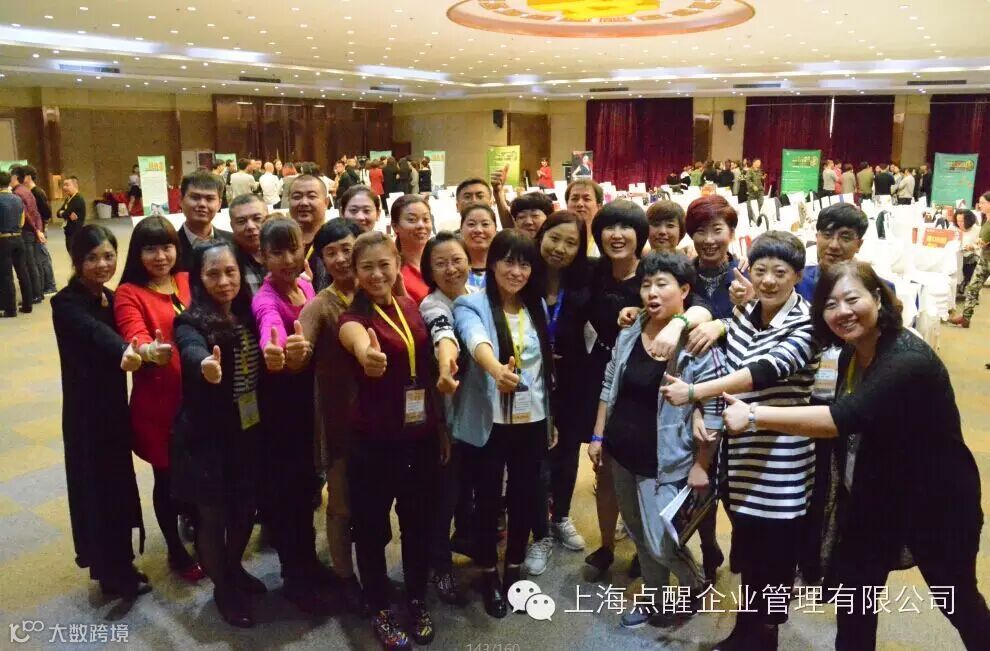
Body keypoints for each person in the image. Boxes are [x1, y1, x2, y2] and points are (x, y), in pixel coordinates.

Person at [721, 260, 990, 650]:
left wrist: (754, 415)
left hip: (937, 502)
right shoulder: (854, 350)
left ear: (878, 298)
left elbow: (842, 418)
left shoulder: (907, 359)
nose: (842, 312)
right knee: (856, 600)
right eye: (830, 304)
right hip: (876, 497)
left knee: (957, 599)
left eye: (852, 299)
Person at [663, 231, 821, 650]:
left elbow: (764, 371)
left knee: (774, 559)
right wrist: (704, 414)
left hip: (781, 463)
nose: (768, 280)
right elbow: (727, 368)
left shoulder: (807, 324)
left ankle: (764, 637)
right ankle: (744, 633)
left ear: (798, 275)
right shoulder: (745, 314)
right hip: (739, 460)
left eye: (780, 272)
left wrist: (695, 393)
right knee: (749, 554)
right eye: (761, 270)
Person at [590, 252, 722, 629]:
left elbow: (714, 408)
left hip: (665, 461)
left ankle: (695, 582)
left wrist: (702, 463)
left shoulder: (696, 342)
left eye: (662, 284)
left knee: (661, 541)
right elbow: (609, 383)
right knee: (637, 533)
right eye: (646, 284)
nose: (651, 292)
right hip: (621, 452)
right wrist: (598, 435)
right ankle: (655, 600)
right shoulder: (632, 330)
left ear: (684, 291)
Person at [339, 231, 447, 649]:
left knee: (418, 524)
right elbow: (356, 341)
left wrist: (439, 428)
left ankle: (416, 598)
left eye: (384, 264)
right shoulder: (353, 318)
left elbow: (428, 375)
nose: (377, 274)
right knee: (370, 529)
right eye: (367, 267)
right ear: (355, 272)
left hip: (420, 438)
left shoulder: (410, 307)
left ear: (397, 263)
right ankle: (380, 607)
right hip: (373, 443)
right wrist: (367, 356)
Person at [453, 229, 554, 617]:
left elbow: (542, 369)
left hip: (532, 418)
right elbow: (474, 338)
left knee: (526, 496)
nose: (516, 271)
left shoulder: (535, 305)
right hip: (490, 421)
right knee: (487, 500)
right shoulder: (471, 304)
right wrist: (496, 369)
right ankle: (487, 573)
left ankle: (513, 567)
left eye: (524, 264)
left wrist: (550, 420)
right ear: (492, 264)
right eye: (508, 262)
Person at [170, 240, 265, 627]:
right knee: (212, 516)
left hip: (248, 430)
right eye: (213, 274)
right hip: (207, 436)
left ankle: (233, 567)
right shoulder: (190, 322)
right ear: (198, 278)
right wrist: (205, 365)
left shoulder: (248, 313)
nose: (224, 281)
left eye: (230, 272)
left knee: (245, 507)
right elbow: (190, 349)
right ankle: (223, 589)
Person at [52, 224, 148, 599]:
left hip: (114, 407)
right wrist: (124, 349)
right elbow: (94, 332)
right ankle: (109, 571)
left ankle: (122, 562)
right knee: (96, 489)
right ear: (77, 261)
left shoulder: (110, 296)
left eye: (109, 256)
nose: (103, 264)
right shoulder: (65, 303)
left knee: (119, 484)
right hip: (85, 414)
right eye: (92, 258)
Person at [114, 216, 205, 584]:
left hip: (200, 397)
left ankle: (201, 531)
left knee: (200, 470)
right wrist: (150, 351)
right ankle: (175, 548)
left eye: (166, 247)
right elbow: (134, 335)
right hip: (160, 404)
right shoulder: (129, 292)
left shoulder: (186, 279)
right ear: (138, 254)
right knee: (167, 479)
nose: (160, 256)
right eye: (150, 249)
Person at [251, 217, 332, 615]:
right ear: (262, 256)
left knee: (305, 493)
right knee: (288, 498)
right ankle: (295, 579)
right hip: (281, 412)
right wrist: (277, 349)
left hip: (307, 408)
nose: (287, 259)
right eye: (277, 252)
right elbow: (270, 327)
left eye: (293, 249)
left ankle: (309, 563)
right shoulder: (265, 298)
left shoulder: (304, 285)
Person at [298, 219, 365, 613]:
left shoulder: (379, 291)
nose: (341, 259)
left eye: (347, 249)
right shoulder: (320, 305)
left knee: (372, 500)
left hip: (382, 416)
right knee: (340, 504)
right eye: (331, 252)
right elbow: (299, 350)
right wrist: (291, 352)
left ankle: (370, 568)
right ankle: (344, 576)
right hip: (340, 420)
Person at [531, 211, 592, 567]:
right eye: (555, 238)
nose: (560, 248)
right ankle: (538, 532)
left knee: (567, 454)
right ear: (541, 236)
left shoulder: (585, 281)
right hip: (529, 382)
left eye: (571, 243)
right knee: (535, 459)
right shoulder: (525, 277)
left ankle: (561, 517)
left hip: (571, 383)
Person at [418, 231, 475, 605]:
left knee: (469, 492)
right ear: (429, 270)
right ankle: (439, 566)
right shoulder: (432, 305)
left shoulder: (478, 295)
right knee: (444, 498)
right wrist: (446, 364)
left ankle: (467, 546)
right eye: (441, 263)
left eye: (457, 260)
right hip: (449, 420)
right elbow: (444, 335)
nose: (451, 269)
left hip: (480, 418)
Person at [175, 171, 233, 272]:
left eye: (209, 199)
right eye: (195, 197)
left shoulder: (233, 242)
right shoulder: (168, 247)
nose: (202, 204)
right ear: (181, 200)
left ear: (219, 204)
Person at [950, 191, 990, 328]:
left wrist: (972, 246)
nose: (979, 205)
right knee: (973, 288)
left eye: (983, 202)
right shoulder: (986, 219)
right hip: (985, 259)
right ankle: (965, 318)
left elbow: (982, 242)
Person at [15, 165, 57, 295]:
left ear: (28, 177)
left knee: (43, 258)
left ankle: (50, 285)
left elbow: (45, 212)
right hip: (37, 229)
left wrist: (41, 228)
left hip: (39, 229)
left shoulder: (37, 192)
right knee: (38, 259)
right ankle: (42, 285)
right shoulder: (28, 192)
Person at [287, 174, 330, 291]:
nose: (304, 203)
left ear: (326, 202)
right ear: (288, 201)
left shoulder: (335, 239)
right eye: (297, 197)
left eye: (311, 196)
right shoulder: (280, 241)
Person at [0, 171, 34, 317]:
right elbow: (22, 220)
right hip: (18, 238)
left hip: (3, 239)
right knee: (22, 272)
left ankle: (10, 309)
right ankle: (27, 305)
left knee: (6, 275)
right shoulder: (17, 199)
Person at [10, 167, 44, 303]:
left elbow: (27, 216)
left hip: (26, 231)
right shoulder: (27, 191)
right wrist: (39, 229)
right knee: (34, 263)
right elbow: (36, 213)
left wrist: (36, 230)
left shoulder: (17, 193)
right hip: (33, 231)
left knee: (29, 265)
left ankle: (35, 294)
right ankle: (39, 292)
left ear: (16, 177)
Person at [391, 194, 434, 304]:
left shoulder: (440, 262)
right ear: (395, 226)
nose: (421, 225)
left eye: (426, 219)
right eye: (412, 220)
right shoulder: (393, 272)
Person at [227, 194, 268, 296]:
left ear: (268, 219)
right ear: (232, 226)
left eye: (257, 218)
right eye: (241, 221)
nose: (250, 226)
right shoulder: (227, 261)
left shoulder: (285, 252)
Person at [459, 203, 496, 290]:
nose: (478, 230)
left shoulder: (504, 267)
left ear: (495, 229)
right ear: (461, 229)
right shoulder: (453, 269)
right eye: (471, 224)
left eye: (485, 224)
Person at [565, 178, 603, 255]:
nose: (580, 204)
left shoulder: (604, 240)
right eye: (574, 199)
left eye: (586, 199)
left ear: (599, 206)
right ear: (567, 204)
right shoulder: (557, 235)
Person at [955, 209, 981, 292]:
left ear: (969, 221)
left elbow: (981, 244)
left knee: (971, 260)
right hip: (957, 257)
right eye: (957, 221)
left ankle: (965, 284)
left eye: (962, 221)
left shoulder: (977, 230)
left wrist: (973, 247)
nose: (959, 223)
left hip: (971, 257)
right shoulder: (955, 229)